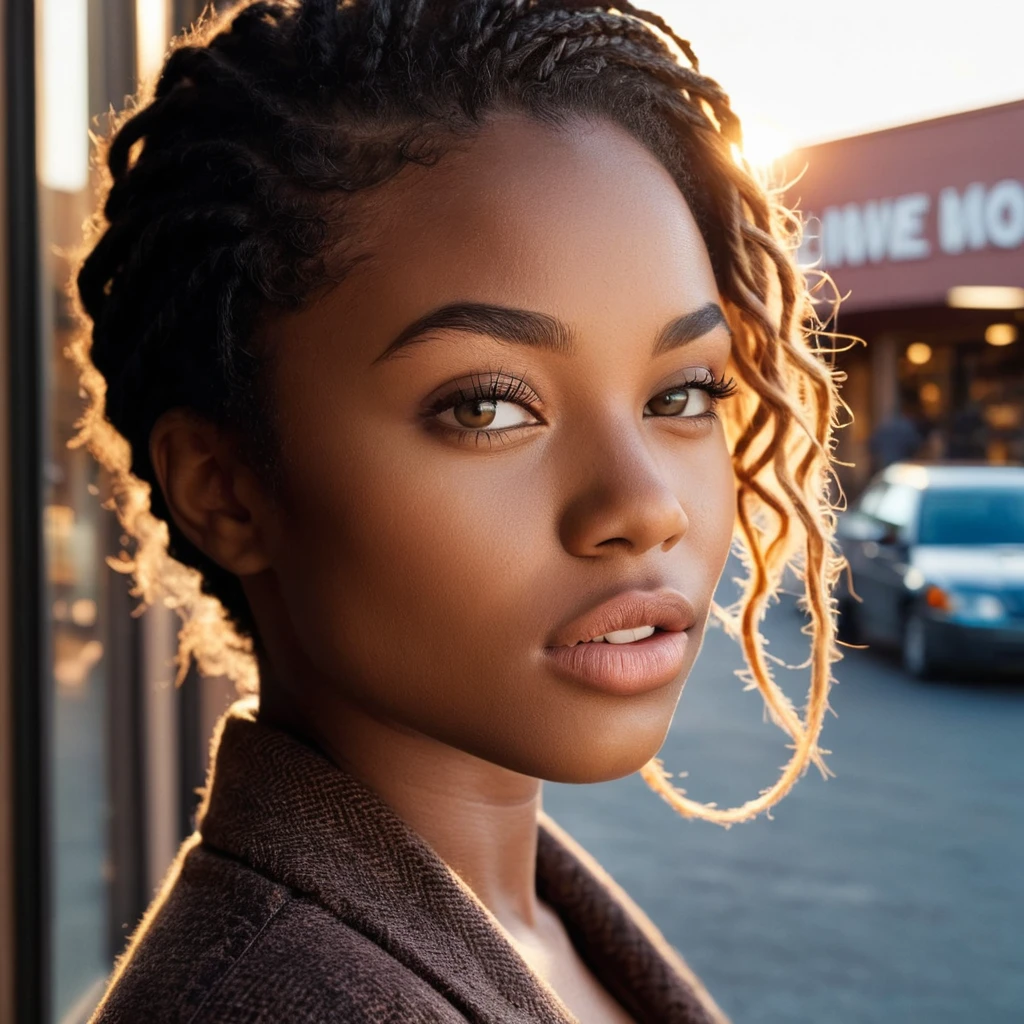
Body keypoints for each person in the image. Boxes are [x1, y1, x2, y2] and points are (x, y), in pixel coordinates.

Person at [71, 1, 845, 1021]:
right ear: (224, 488)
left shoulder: (540, 928)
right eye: (486, 405)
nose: (645, 505)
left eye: (683, 395)